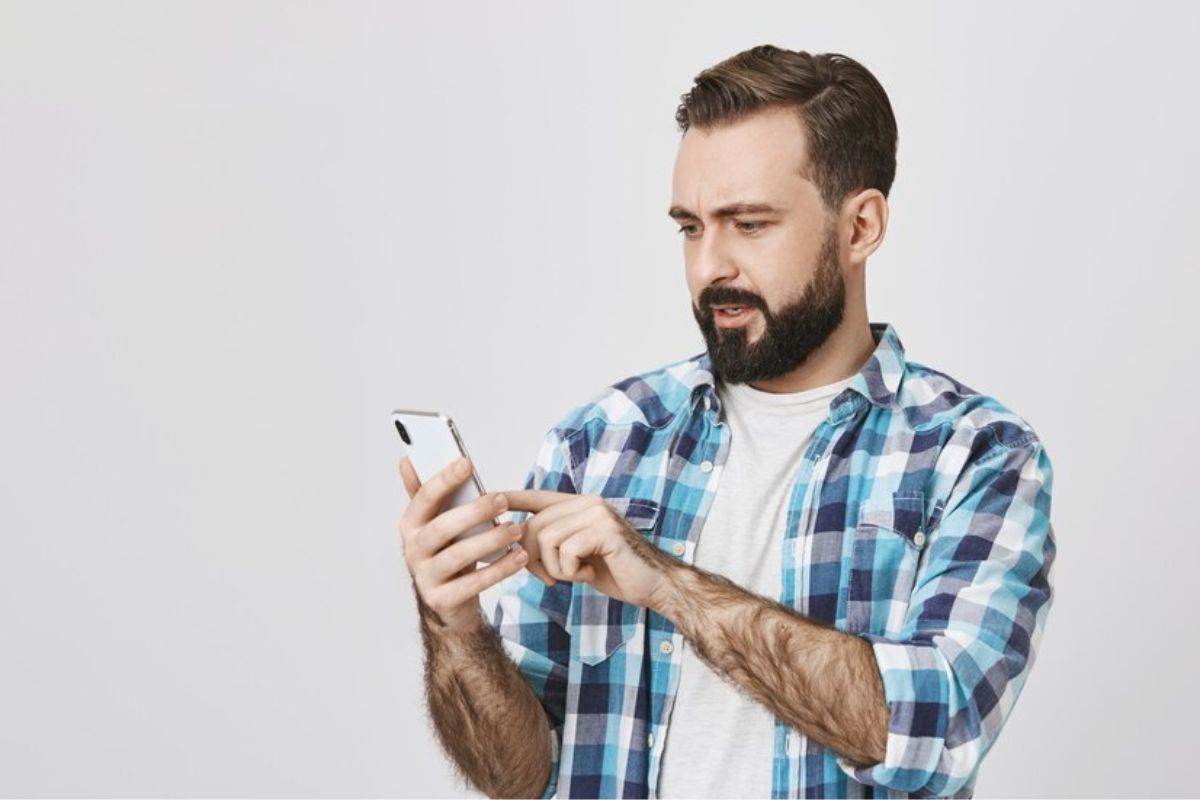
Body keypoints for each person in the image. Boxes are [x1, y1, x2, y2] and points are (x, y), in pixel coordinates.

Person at [397, 44, 1056, 799]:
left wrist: (668, 585)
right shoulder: (602, 438)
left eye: (748, 224)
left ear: (861, 226)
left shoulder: (976, 456)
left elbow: (935, 731)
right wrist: (456, 630)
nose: (711, 266)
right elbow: (516, 777)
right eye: (690, 227)